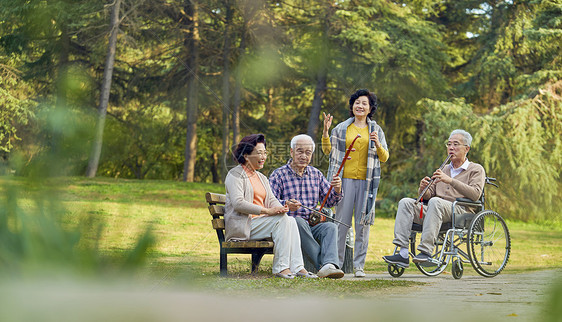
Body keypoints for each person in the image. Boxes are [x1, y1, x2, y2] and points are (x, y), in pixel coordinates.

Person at [382, 129, 485, 268]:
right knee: (406, 202)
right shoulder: (444, 169)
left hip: (461, 211)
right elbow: (428, 196)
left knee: (436, 202)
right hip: (435, 210)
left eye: (455, 144)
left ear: (467, 148)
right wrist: (423, 188)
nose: (451, 148)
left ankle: (426, 251)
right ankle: (403, 253)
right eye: (449, 144)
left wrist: (450, 181)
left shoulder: (476, 169)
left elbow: (475, 194)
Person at [224, 134, 317, 279]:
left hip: (260, 224)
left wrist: (283, 207)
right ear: (247, 155)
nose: (263, 157)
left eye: (265, 153)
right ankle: (281, 268)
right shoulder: (235, 174)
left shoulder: (261, 177)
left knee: (290, 220)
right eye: (259, 153)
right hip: (244, 226)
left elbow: (272, 200)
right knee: (282, 220)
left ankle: (297, 267)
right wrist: (267, 211)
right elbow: (238, 203)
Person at [322, 89, 389, 277]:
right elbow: (328, 151)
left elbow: (384, 157)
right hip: (344, 182)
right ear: (352, 106)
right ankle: (337, 264)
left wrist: (378, 144)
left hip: (366, 184)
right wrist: (326, 132)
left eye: (364, 103)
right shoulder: (342, 128)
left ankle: (359, 266)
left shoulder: (376, 130)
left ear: (370, 109)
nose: (360, 106)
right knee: (341, 224)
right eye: (357, 102)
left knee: (362, 225)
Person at [269, 134, 345, 279]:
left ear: (311, 155)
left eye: (308, 152)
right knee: (298, 221)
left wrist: (337, 189)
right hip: (290, 226)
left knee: (331, 227)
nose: (304, 156)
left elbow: (329, 202)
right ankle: (324, 266)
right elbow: (270, 202)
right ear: (291, 152)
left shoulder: (316, 174)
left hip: (312, 224)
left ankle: (329, 264)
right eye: (300, 151)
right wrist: (286, 204)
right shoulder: (278, 175)